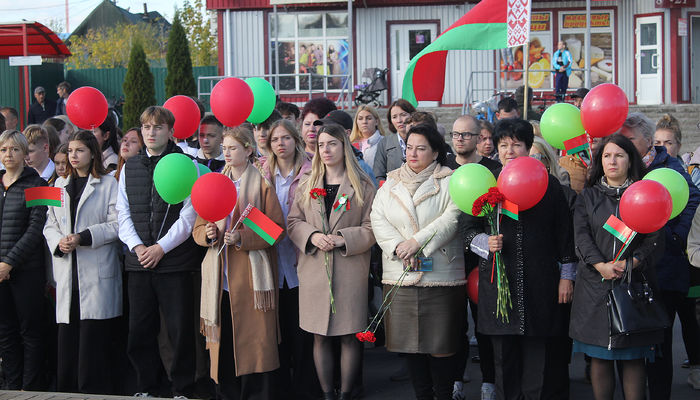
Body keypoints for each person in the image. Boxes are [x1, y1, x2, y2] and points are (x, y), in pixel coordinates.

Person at [459, 118, 577, 400]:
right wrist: (484, 243)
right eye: (503, 145)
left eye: (516, 144)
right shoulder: (486, 183)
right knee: (503, 358)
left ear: (528, 147)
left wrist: (567, 278)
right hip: (498, 282)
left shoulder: (549, 185)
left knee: (539, 357)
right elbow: (466, 232)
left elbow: (565, 237)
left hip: (541, 282)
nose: (509, 151)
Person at [370, 123, 464, 400]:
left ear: (436, 153)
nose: (412, 153)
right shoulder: (391, 183)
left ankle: (445, 394)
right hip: (400, 272)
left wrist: (417, 243)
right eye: (409, 147)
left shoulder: (451, 181)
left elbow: (453, 217)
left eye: (420, 148)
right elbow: (378, 218)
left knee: (442, 343)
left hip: (442, 276)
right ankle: (422, 395)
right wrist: (400, 247)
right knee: (409, 344)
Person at [570, 134, 664, 400]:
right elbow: (581, 236)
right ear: (600, 160)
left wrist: (632, 263)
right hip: (595, 289)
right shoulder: (587, 196)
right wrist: (600, 265)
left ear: (630, 159)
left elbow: (656, 238)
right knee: (600, 357)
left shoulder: (646, 193)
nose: (613, 161)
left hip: (632, 287)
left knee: (633, 358)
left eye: (619, 155)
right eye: (607, 155)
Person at [193, 126, 284, 400]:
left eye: (233, 148)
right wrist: (209, 235)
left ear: (248, 150)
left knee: (254, 343)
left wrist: (242, 237)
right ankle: (227, 394)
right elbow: (198, 228)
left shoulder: (261, 184)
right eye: (224, 148)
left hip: (251, 280)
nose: (227, 152)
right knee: (225, 344)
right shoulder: (213, 183)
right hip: (219, 279)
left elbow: (276, 230)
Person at [287, 123, 376, 400]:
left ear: (344, 146)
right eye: (322, 144)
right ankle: (327, 394)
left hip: (350, 270)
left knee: (350, 336)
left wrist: (343, 239)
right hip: (314, 271)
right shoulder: (307, 184)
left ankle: (347, 393)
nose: (326, 150)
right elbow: (292, 222)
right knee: (319, 336)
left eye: (332, 144)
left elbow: (373, 227)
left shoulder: (362, 186)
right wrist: (312, 236)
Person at [116, 106, 200, 398]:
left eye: (158, 127)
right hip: (139, 263)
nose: (151, 133)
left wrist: (160, 248)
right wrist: (139, 247)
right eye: (147, 128)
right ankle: (147, 388)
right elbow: (122, 212)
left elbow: (189, 217)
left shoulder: (187, 164)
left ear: (171, 131)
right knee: (140, 331)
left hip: (174, 262)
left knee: (179, 331)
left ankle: (183, 389)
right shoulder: (131, 166)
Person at [618, 113, 700, 398]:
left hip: (664, 268)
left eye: (629, 139)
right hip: (628, 266)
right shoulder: (621, 166)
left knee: (660, 345)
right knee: (628, 339)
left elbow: (690, 201)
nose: (623, 145)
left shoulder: (671, 167)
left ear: (647, 140)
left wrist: (675, 237)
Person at [43, 130, 122, 394]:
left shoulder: (109, 184)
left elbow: (117, 224)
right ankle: (67, 392)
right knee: (68, 342)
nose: (73, 156)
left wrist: (84, 237)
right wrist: (59, 241)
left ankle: (93, 392)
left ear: (92, 153)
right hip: (67, 272)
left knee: (92, 342)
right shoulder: (58, 185)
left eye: (79, 151)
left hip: (95, 273)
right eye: (70, 151)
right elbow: (49, 224)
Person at [262, 119, 318, 400]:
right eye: (274, 140)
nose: (280, 144)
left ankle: (307, 390)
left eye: (285, 138)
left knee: (303, 334)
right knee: (277, 333)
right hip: (271, 262)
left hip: (303, 260)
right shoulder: (261, 173)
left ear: (296, 139)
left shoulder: (312, 171)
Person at [0, 130, 48, 390]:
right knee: (6, 333)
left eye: (15, 149)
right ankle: (10, 387)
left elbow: (36, 230)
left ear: (25, 154)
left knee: (30, 333)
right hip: (0, 273)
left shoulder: (39, 184)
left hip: (27, 270)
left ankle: (31, 389)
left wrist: (9, 263)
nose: (9, 154)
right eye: (4, 149)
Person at [313, 110, 378, 187]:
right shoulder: (315, 171)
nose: (326, 132)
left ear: (347, 133)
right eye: (324, 127)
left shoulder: (360, 167)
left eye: (332, 129)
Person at [373, 99, 417, 182]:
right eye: (394, 117)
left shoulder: (423, 140)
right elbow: (378, 176)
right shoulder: (384, 143)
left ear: (412, 115)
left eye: (403, 115)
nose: (399, 120)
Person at [349, 105, 386, 169]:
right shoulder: (350, 143)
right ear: (356, 122)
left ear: (377, 121)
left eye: (368, 118)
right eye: (360, 119)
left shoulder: (384, 143)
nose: (364, 122)